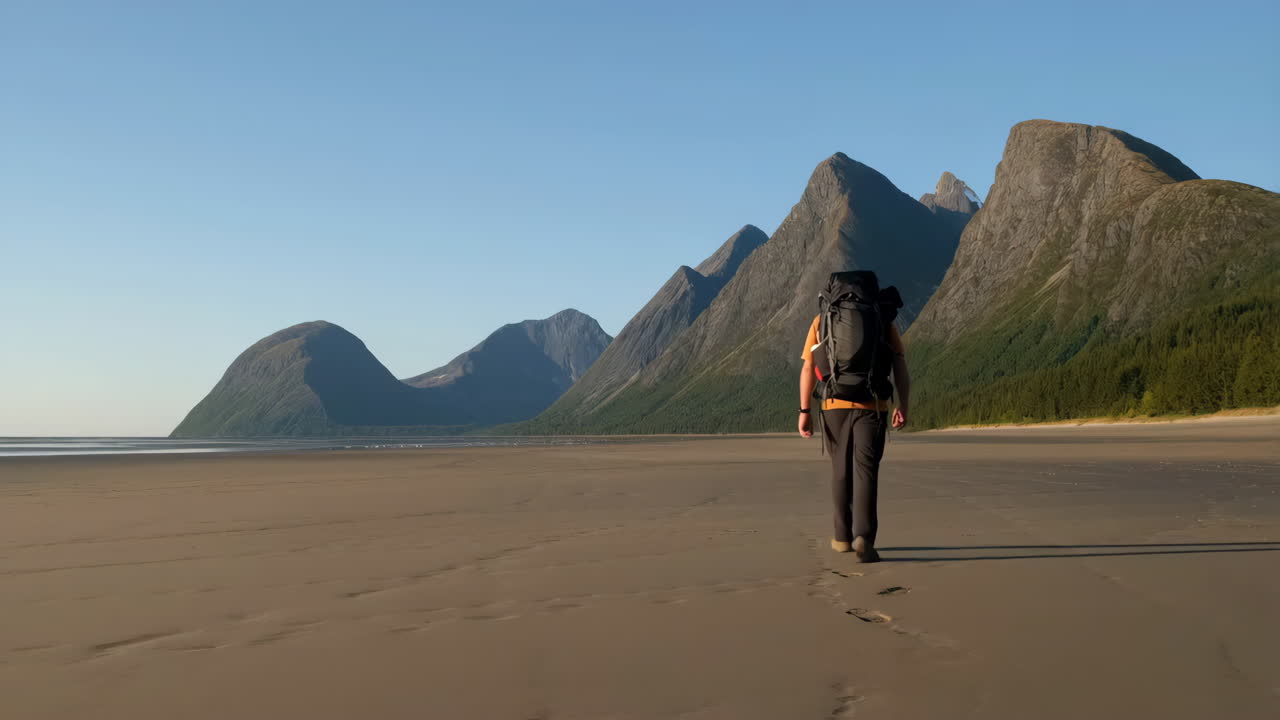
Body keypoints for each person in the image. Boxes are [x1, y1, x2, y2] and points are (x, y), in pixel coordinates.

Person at [797, 273, 909, 563]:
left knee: (840, 470)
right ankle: (865, 536)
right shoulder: (882, 317)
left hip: (834, 405)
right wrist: (903, 404)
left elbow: (809, 368)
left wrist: (805, 411)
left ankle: (842, 538)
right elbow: (899, 365)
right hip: (873, 405)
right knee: (866, 471)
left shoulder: (823, 319)